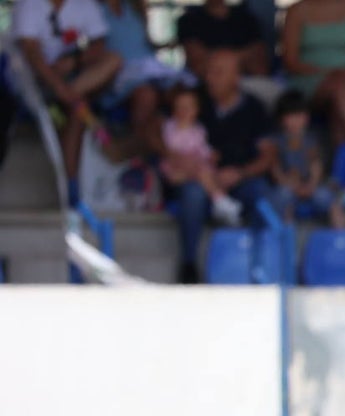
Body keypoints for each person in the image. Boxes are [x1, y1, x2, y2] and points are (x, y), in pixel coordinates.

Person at [172, 50, 273, 284]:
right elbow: (160, 128)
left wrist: (240, 173)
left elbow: (269, 156)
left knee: (262, 193)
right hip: (202, 180)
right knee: (191, 194)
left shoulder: (254, 108)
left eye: (218, 72)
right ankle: (189, 266)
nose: (210, 78)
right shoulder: (195, 102)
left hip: (241, 180)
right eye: (208, 72)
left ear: (236, 77)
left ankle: (258, 263)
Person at [13, 0, 122, 203]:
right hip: (35, 84)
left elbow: (99, 45)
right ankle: (72, 183)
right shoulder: (28, 4)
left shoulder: (85, 5)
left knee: (112, 61)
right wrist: (56, 85)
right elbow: (32, 54)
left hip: (73, 84)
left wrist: (74, 62)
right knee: (78, 108)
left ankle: (71, 185)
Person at [99, 0, 189, 158]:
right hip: (119, 72)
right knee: (146, 95)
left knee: (181, 90)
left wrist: (168, 44)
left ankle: (185, 143)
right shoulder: (97, 10)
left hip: (151, 67)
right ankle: (139, 150)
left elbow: (145, 43)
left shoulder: (134, 7)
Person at [281, 0, 345, 144]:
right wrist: (324, 73)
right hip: (309, 78)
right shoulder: (296, 11)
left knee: (339, 106)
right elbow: (290, 60)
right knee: (339, 91)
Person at [159, 84, 242, 226]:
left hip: (196, 169)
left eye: (188, 107)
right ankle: (220, 201)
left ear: (196, 111)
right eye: (180, 107)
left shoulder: (199, 130)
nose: (183, 111)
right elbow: (170, 148)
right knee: (201, 174)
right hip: (176, 168)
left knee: (209, 174)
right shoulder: (169, 126)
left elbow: (203, 148)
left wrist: (210, 155)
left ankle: (220, 204)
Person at [267, 89, 345, 226]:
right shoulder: (276, 141)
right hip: (287, 185)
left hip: (310, 185)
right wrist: (289, 183)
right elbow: (275, 167)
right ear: (281, 119)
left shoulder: (312, 140)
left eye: (300, 115)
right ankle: (287, 239)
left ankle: (342, 236)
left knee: (329, 199)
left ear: (306, 117)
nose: (296, 120)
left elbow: (316, 164)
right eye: (290, 116)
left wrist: (311, 184)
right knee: (283, 198)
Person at [176, 0, 269, 81]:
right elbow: (197, 63)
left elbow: (259, 62)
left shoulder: (247, 19)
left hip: (246, 83)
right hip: (203, 85)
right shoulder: (189, 21)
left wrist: (213, 59)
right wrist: (242, 57)